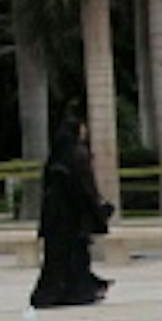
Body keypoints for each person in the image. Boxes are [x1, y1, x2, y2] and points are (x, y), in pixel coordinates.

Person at [31, 117, 114, 307]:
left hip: (56, 217)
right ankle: (76, 292)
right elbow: (84, 189)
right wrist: (98, 210)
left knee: (58, 258)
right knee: (75, 256)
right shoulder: (77, 155)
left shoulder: (57, 157)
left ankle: (57, 293)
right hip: (73, 217)